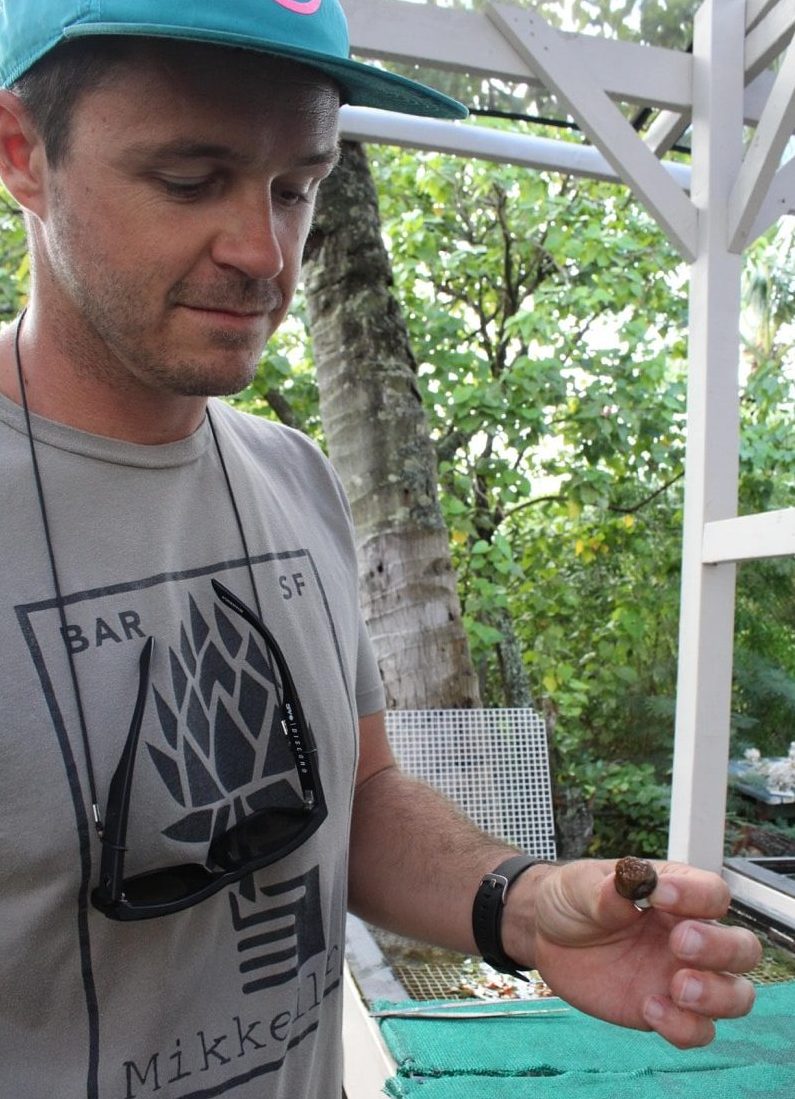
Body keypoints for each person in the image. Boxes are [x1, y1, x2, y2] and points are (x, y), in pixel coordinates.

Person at [0, 1, 761, 1096]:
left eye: (296, 187)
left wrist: (523, 904)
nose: (262, 251)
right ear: (23, 153)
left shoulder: (292, 475)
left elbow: (353, 799)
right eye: (188, 179)